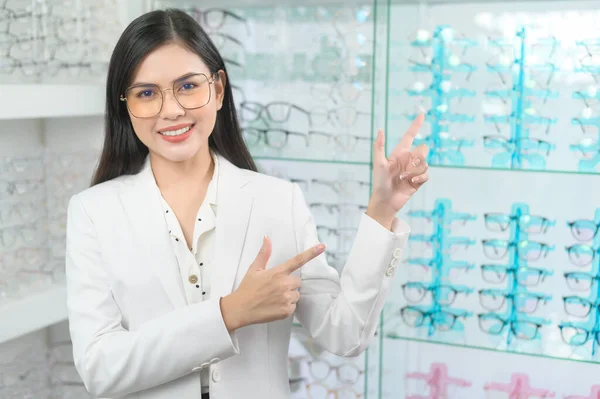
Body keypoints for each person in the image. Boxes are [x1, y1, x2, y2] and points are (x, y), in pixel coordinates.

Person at [65, 8, 429, 399]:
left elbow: (344, 334)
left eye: (188, 86)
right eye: (147, 93)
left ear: (218, 89)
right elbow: (99, 368)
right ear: (125, 105)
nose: (171, 110)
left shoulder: (278, 201)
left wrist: (382, 211)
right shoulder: (93, 212)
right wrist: (228, 314)